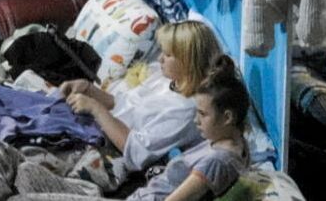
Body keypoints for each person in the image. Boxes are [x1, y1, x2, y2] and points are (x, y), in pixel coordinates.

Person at [56, 21, 230, 183]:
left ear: (189, 62)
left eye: (168, 55)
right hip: (99, 130)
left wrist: (96, 109)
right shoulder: (167, 79)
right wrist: (89, 89)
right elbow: (122, 103)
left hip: (112, 151)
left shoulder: (184, 112)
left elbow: (135, 151)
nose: (160, 58)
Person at [126, 64, 252, 201]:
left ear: (227, 117)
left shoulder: (216, 161)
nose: (196, 120)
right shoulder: (233, 142)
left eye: (202, 114)